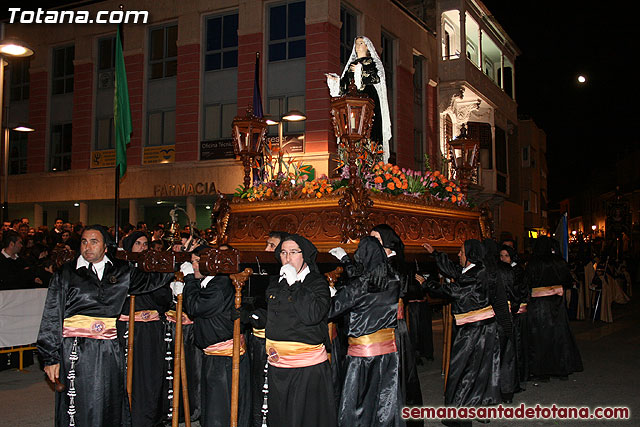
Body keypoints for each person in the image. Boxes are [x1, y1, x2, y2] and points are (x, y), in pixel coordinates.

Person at [37, 225, 173, 427]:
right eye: (84, 241)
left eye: (94, 242)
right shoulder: (66, 273)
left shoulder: (121, 270)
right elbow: (51, 315)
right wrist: (50, 357)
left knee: (110, 399)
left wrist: (177, 270)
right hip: (77, 349)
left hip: (110, 348)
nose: (87, 247)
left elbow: (150, 281)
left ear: (106, 247)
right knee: (80, 403)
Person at [422, 240, 500, 427]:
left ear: (471, 254)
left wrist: (427, 284)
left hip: (475, 329)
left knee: (464, 369)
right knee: (479, 369)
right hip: (479, 327)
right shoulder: (475, 269)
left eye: (461, 251)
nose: (458, 254)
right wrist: (435, 254)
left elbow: (453, 289)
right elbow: (455, 271)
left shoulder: (477, 274)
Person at [329, 236, 403, 426]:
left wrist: (330, 293)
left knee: (357, 405)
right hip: (388, 352)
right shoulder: (395, 279)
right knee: (384, 401)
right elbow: (368, 281)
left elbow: (331, 310)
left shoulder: (359, 285)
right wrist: (346, 263)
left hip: (363, 353)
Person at [265, 234, 336, 427]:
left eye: (293, 252)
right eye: (283, 252)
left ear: (304, 255)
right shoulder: (276, 282)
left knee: (304, 418)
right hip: (278, 365)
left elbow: (311, 315)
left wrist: (295, 284)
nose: (287, 258)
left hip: (306, 369)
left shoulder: (316, 283)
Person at [182, 248, 251, 427]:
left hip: (224, 357)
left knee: (220, 412)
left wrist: (188, 280)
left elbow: (195, 306)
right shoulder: (209, 282)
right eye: (193, 261)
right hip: (213, 355)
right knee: (211, 406)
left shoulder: (220, 285)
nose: (194, 266)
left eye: (197, 261)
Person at [117, 231, 172, 427]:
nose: (142, 247)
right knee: (130, 374)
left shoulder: (154, 271)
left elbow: (163, 299)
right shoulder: (121, 270)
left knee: (151, 375)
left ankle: (150, 418)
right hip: (129, 329)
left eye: (145, 243)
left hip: (151, 330)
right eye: (138, 243)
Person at [369, 224, 424, 415]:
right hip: (385, 324)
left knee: (394, 374)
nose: (371, 243)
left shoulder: (395, 265)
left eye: (375, 239)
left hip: (391, 327)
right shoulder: (384, 263)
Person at [524, 236, 583, 381]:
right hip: (556, 303)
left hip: (538, 305)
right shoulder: (559, 261)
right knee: (559, 335)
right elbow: (568, 280)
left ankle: (541, 372)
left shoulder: (533, 263)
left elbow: (526, 283)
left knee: (540, 338)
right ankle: (562, 369)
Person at [326, 36, 391, 163]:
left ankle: (373, 162)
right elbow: (344, 85)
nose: (358, 46)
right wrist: (335, 81)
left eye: (361, 43)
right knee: (352, 129)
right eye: (356, 44)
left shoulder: (372, 62)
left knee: (370, 131)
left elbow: (376, 78)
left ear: (367, 47)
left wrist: (360, 71)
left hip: (368, 101)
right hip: (352, 102)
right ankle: (352, 161)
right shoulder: (351, 65)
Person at [483, 239, 519, 403]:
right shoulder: (506, 270)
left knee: (492, 358)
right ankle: (507, 393)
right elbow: (515, 292)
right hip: (507, 318)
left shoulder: (487, 271)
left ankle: (492, 393)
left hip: (492, 318)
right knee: (506, 356)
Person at [500, 244, 529, 385]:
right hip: (510, 313)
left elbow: (518, 292)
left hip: (518, 313)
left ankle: (519, 376)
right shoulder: (505, 271)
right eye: (501, 256)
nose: (503, 258)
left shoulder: (517, 271)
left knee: (518, 345)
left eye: (506, 256)